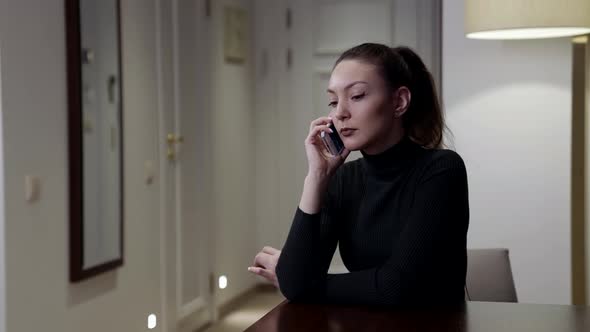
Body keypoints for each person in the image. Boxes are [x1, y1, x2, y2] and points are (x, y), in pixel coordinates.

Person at [248, 43, 469, 306]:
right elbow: (293, 283)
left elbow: (398, 286)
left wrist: (307, 284)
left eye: (357, 95)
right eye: (333, 100)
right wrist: (316, 178)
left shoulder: (442, 170)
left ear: (399, 101)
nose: (340, 112)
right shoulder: (343, 179)